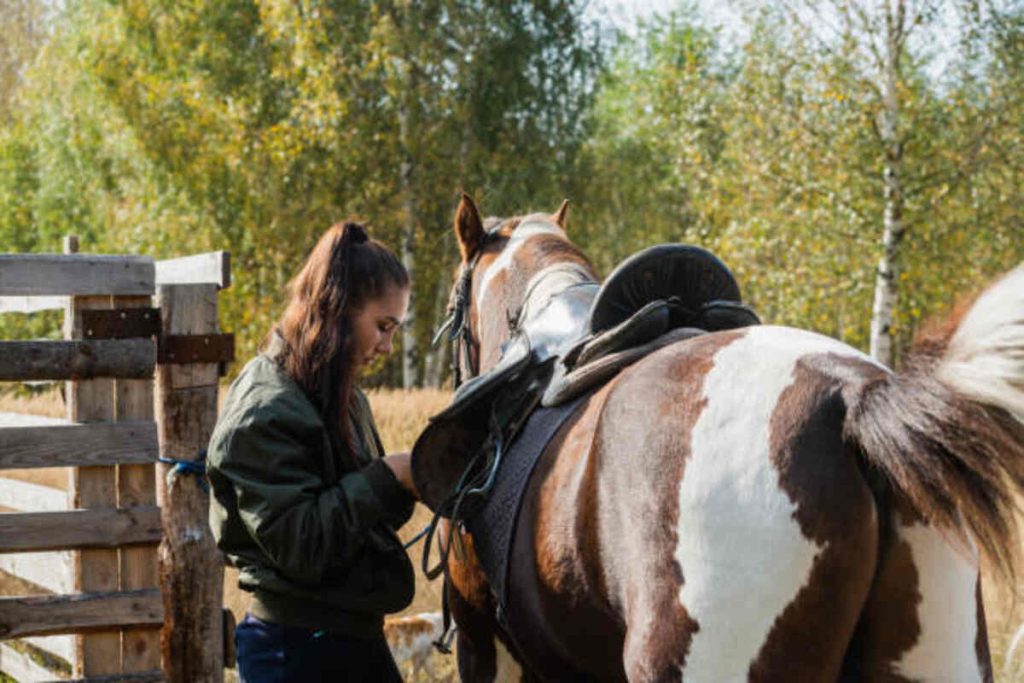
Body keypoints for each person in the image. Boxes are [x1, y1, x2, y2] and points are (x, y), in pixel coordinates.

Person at [207, 222, 417, 682]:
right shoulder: (265, 410)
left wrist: (413, 480)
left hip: (350, 638)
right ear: (338, 311)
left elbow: (356, 522)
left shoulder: (340, 395)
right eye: (382, 326)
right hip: (294, 650)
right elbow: (301, 544)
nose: (387, 345)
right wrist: (388, 476)